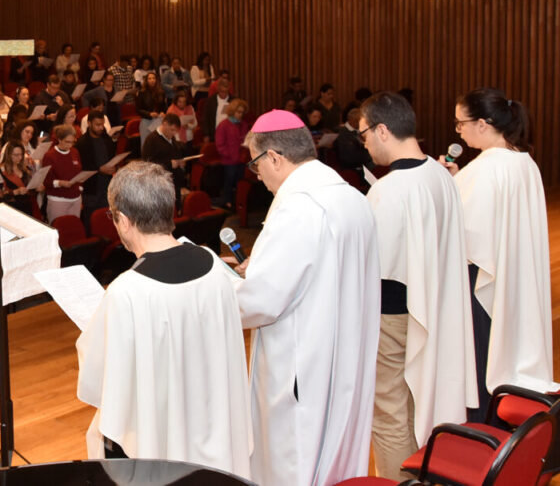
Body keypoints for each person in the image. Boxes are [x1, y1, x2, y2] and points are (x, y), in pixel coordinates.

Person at [234, 109, 379, 486]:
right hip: (343, 353)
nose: (257, 175)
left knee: (296, 461)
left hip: (303, 366)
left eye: (255, 164)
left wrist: (218, 291)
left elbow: (261, 301)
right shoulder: (350, 196)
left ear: (274, 157)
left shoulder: (298, 207)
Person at [76, 161, 250, 473]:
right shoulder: (212, 264)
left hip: (163, 432)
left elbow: (99, 374)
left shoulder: (127, 291)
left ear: (124, 221)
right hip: (215, 418)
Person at [360, 91, 478, 480]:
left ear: (382, 130)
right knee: (414, 403)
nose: (364, 143)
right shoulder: (439, 173)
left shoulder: (390, 189)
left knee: (389, 413)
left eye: (364, 134)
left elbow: (375, 265)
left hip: (394, 314)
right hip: (434, 303)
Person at [441, 88, 557, 413]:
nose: (457, 131)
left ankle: (482, 425)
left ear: (482, 123)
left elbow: (466, 234)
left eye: (460, 123)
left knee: (483, 356)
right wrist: (458, 180)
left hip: (482, 276)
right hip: (515, 274)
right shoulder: (523, 161)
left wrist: (449, 189)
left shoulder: (486, 168)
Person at [76, 111, 118, 224]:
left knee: (107, 219)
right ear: (89, 123)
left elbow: (111, 156)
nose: (101, 128)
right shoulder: (82, 143)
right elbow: (81, 166)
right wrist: (99, 169)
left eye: (102, 124)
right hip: (91, 189)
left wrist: (114, 167)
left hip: (107, 186)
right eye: (97, 125)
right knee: (91, 220)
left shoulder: (106, 138)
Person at [43, 124, 83, 223]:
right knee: (58, 227)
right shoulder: (49, 156)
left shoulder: (75, 152)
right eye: (67, 142)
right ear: (59, 140)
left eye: (72, 142)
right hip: (58, 199)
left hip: (76, 198)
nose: (70, 145)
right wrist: (60, 183)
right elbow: (46, 181)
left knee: (74, 227)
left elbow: (78, 172)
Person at [214, 99, 249, 209]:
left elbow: (246, 140)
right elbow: (220, 145)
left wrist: (244, 152)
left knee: (240, 182)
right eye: (238, 112)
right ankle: (227, 201)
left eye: (242, 112)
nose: (240, 115)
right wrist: (230, 154)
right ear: (232, 111)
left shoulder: (244, 124)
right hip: (229, 160)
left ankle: (238, 201)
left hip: (241, 158)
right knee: (229, 181)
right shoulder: (223, 125)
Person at [141, 114, 187, 193]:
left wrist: (180, 162)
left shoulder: (171, 137)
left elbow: (174, 153)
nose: (174, 133)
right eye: (172, 130)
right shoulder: (151, 139)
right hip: (160, 183)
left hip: (173, 181)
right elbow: (148, 163)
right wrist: (169, 164)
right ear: (165, 124)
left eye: (176, 131)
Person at [0, 141, 40, 217]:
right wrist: (15, 192)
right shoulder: (1, 170)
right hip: (10, 210)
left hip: (27, 208)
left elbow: (30, 189)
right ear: (8, 155)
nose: (20, 158)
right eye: (16, 155)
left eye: (21, 154)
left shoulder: (25, 169)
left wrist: (37, 188)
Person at [135, 71, 166, 142]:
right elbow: (138, 109)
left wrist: (163, 112)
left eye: (153, 78)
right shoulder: (141, 93)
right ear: (146, 81)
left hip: (158, 120)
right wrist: (149, 114)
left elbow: (164, 106)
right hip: (146, 120)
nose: (152, 80)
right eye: (149, 78)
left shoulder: (161, 92)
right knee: (146, 142)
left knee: (159, 142)